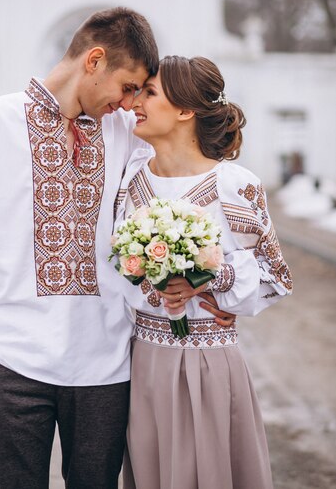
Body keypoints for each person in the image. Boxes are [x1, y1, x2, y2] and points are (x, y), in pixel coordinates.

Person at [0, 7, 238, 489]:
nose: (131, 103)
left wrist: (210, 284)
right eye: (129, 87)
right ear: (93, 61)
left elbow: (187, 192)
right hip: (10, 366)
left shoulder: (127, 136)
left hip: (106, 369)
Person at [114, 55, 293, 489]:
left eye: (149, 92)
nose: (135, 102)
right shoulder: (129, 181)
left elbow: (277, 277)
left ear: (185, 110)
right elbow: (115, 266)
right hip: (142, 363)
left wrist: (209, 283)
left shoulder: (235, 186)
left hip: (208, 364)